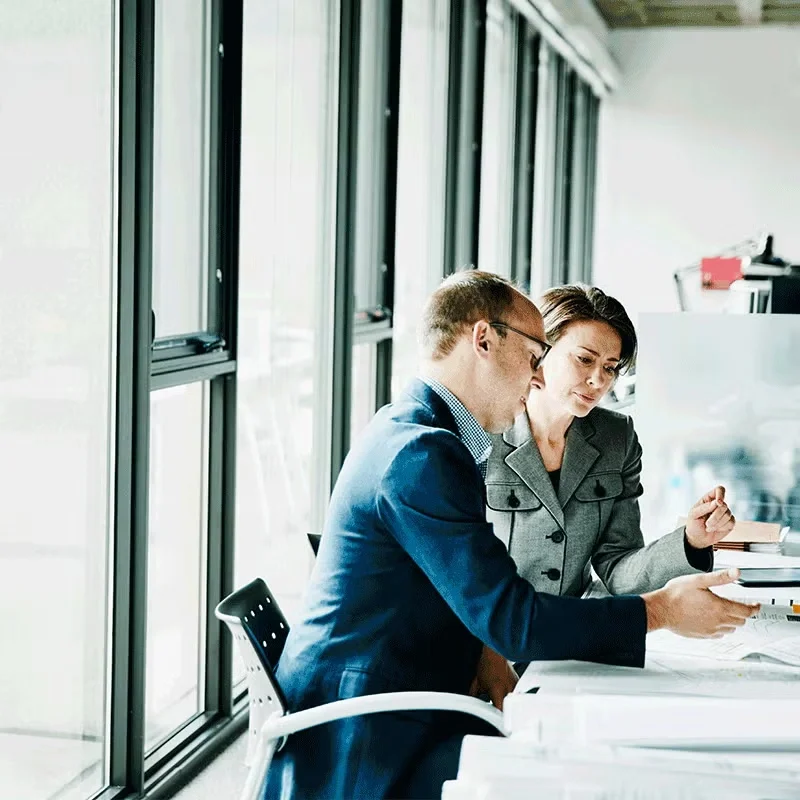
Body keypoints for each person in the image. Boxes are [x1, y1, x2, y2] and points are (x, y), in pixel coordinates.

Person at [265, 271, 757, 800]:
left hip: (418, 694)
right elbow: (512, 620)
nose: (536, 373)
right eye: (533, 354)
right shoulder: (424, 455)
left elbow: (475, 593)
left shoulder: (418, 431)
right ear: (483, 339)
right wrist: (660, 611)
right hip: (368, 731)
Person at [485, 284, 735, 598]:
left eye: (610, 367)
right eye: (584, 359)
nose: (599, 380)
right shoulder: (484, 431)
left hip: (570, 634)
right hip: (486, 635)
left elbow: (618, 569)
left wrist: (691, 540)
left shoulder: (616, 438)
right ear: (540, 352)